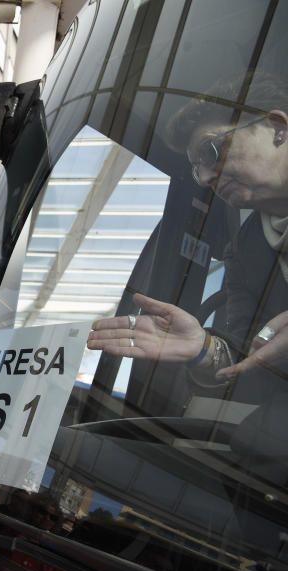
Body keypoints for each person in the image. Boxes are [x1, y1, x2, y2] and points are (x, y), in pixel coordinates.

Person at [88, 74, 288, 386]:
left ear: (277, 128)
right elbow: (245, 354)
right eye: (197, 170)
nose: (207, 177)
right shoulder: (244, 253)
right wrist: (203, 349)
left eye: (212, 150)